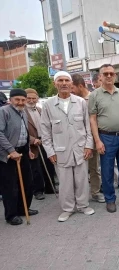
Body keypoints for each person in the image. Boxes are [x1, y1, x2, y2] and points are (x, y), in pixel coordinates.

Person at [41, 71, 95, 222]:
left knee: (82, 179)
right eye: (60, 81)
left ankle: (83, 205)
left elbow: (87, 126)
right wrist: (50, 151)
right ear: (55, 84)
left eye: (66, 81)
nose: (64, 83)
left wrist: (88, 145)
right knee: (65, 182)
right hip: (60, 151)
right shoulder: (48, 105)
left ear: (71, 84)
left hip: (80, 149)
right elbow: (45, 131)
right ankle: (67, 208)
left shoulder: (80, 102)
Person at [89, 64, 119, 212]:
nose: (109, 76)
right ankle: (110, 199)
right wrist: (97, 141)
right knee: (107, 170)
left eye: (111, 73)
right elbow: (92, 119)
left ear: (115, 76)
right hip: (105, 137)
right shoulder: (94, 95)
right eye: (106, 74)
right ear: (100, 77)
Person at [0, 88, 38, 225]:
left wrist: (28, 149)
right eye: (18, 100)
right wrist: (11, 150)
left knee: (28, 182)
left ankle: (23, 209)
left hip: (22, 151)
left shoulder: (23, 112)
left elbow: (24, 133)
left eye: (23, 100)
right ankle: (11, 215)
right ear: (11, 100)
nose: (21, 102)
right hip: (8, 155)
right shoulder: (4, 112)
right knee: (10, 186)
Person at [71, 74, 105, 203]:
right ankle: (79, 194)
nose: (70, 91)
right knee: (78, 169)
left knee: (94, 168)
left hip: (93, 138)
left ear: (80, 86)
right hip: (77, 140)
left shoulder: (94, 97)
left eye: (72, 87)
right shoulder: (72, 100)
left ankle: (95, 192)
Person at [25, 88, 57, 200]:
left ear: (37, 99)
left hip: (44, 141)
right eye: (28, 98)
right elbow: (20, 131)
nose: (31, 100)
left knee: (49, 165)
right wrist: (32, 140)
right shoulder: (22, 111)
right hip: (32, 143)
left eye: (33, 98)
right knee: (35, 168)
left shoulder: (40, 109)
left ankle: (50, 187)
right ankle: (38, 190)